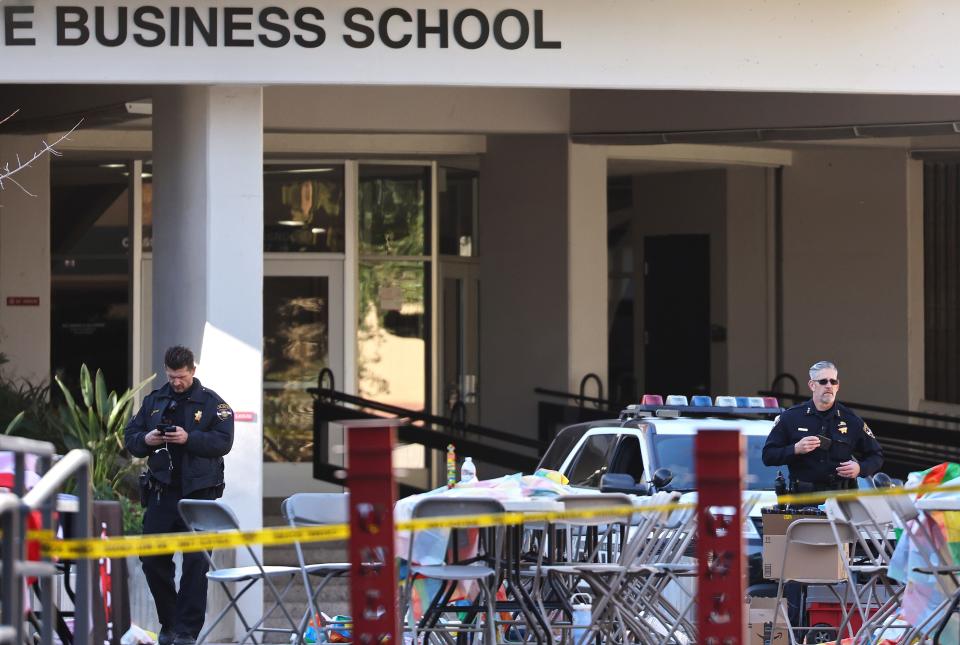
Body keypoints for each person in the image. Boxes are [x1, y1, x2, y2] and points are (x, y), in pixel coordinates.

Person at [124, 346, 234, 645]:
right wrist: (147, 439)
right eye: (172, 376)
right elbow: (131, 438)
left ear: (192, 371)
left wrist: (189, 438)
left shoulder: (213, 403)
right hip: (162, 492)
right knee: (151, 558)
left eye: (181, 377)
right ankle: (170, 622)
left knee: (196, 564)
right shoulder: (155, 400)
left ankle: (186, 632)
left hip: (199, 495)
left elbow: (224, 441)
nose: (176, 382)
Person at [763, 360, 883, 492]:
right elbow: (768, 455)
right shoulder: (791, 417)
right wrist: (795, 448)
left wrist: (860, 468)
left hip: (840, 500)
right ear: (812, 385)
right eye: (823, 381)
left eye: (833, 381)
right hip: (802, 500)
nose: (829, 386)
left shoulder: (851, 420)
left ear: (838, 386)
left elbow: (876, 455)